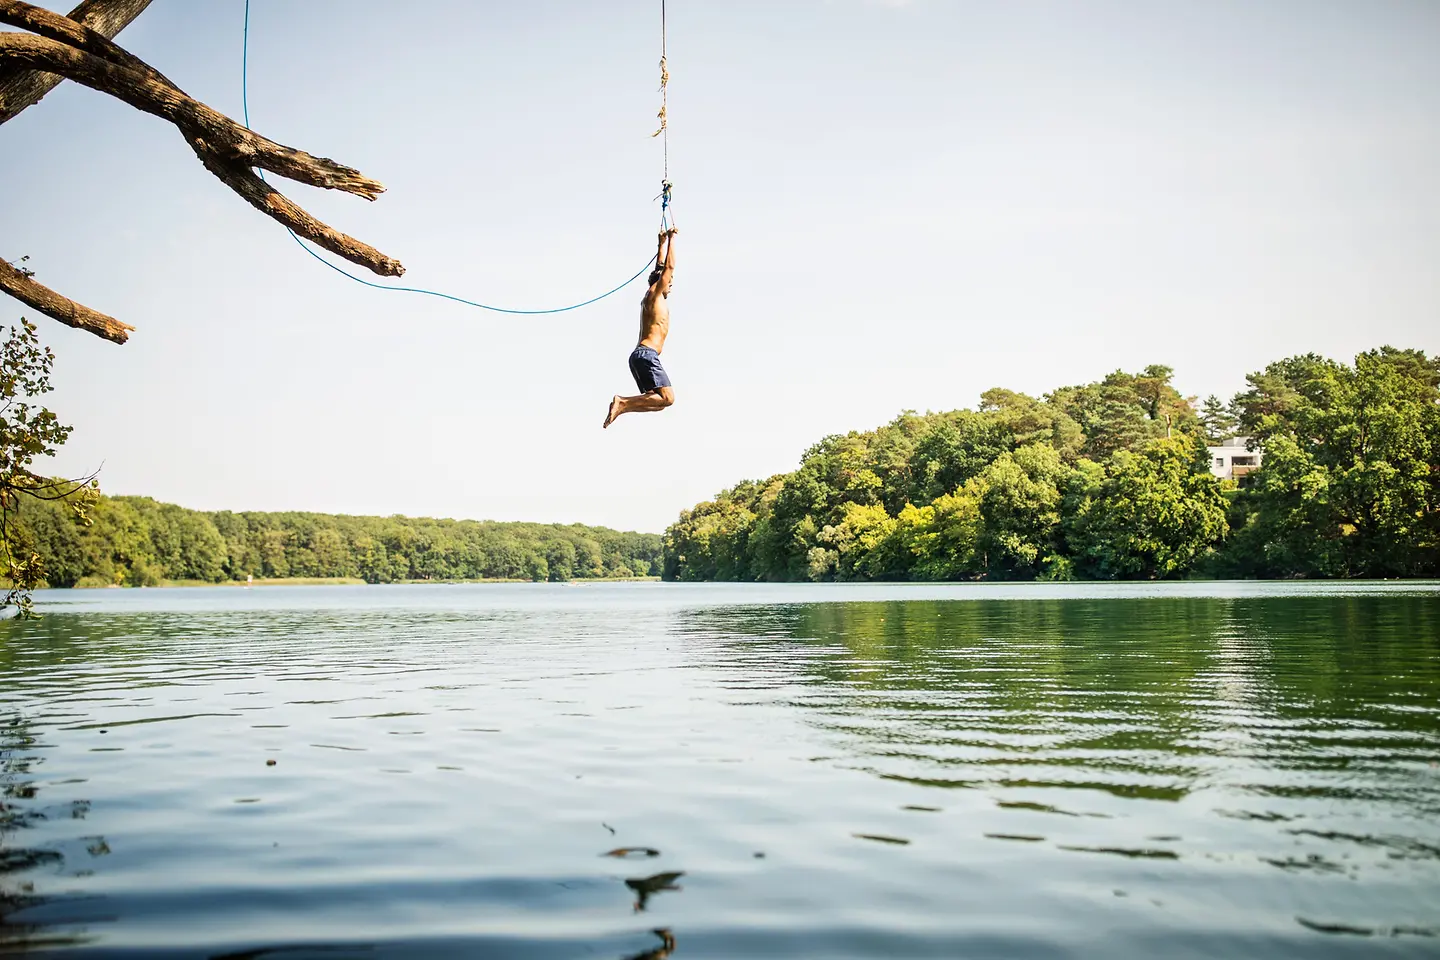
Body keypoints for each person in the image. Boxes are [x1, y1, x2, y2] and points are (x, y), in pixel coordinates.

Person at [604, 228, 677, 428]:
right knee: (668, 398)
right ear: (661, 281)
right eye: (669, 281)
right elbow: (668, 267)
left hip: (642, 356)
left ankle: (623, 406)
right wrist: (672, 239)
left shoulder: (652, 297)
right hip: (646, 355)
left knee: (658, 402)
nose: (671, 285)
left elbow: (660, 268)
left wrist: (661, 244)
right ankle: (623, 403)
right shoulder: (654, 294)